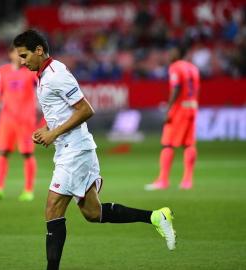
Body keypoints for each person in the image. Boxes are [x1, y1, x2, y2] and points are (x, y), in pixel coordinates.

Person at [13, 30, 176, 270]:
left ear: (39, 50)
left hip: (75, 150)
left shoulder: (56, 75)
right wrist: (46, 128)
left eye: (25, 55)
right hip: (70, 148)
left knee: (53, 207)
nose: (22, 61)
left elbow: (86, 109)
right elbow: (64, 111)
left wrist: (53, 133)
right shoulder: (45, 74)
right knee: (92, 212)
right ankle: (156, 217)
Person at [0, 46, 38, 201]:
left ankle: (28, 190)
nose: (21, 55)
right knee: (2, 152)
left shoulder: (31, 71)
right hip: (7, 119)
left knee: (27, 153)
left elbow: (43, 87)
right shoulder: (2, 71)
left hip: (26, 120)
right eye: (17, 52)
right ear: (10, 54)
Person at [145, 46, 200, 190]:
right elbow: (195, 89)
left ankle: (163, 180)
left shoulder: (175, 67)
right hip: (192, 107)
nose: (169, 54)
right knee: (189, 144)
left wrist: (168, 109)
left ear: (178, 53)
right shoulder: (193, 68)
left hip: (179, 109)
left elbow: (176, 88)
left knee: (168, 144)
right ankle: (187, 181)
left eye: (172, 51)